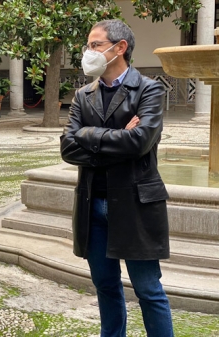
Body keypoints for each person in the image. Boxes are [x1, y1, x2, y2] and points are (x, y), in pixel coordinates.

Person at [60, 19, 173, 337]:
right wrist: (115, 136)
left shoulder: (148, 89)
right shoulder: (84, 96)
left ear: (119, 47)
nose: (88, 52)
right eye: (88, 46)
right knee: (105, 286)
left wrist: (89, 135)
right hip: (92, 205)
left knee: (149, 290)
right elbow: (68, 148)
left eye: (95, 45)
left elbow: (140, 142)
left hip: (136, 204)